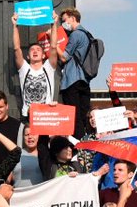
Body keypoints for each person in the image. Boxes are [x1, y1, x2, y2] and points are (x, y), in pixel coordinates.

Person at [54, 9, 93, 138]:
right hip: (84, 80)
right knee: (82, 115)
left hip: (72, 80)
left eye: (65, 20)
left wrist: (54, 44)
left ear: (72, 18)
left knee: (74, 116)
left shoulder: (76, 34)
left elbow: (64, 57)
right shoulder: (87, 34)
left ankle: (78, 143)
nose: (64, 24)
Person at [12, 23, 57, 119]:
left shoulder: (48, 67)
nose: (35, 51)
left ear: (44, 55)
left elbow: (53, 47)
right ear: (28, 56)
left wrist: (54, 24)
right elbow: (16, 48)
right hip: (28, 115)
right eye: (32, 50)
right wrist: (15, 26)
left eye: (38, 50)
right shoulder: (24, 69)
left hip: (46, 115)